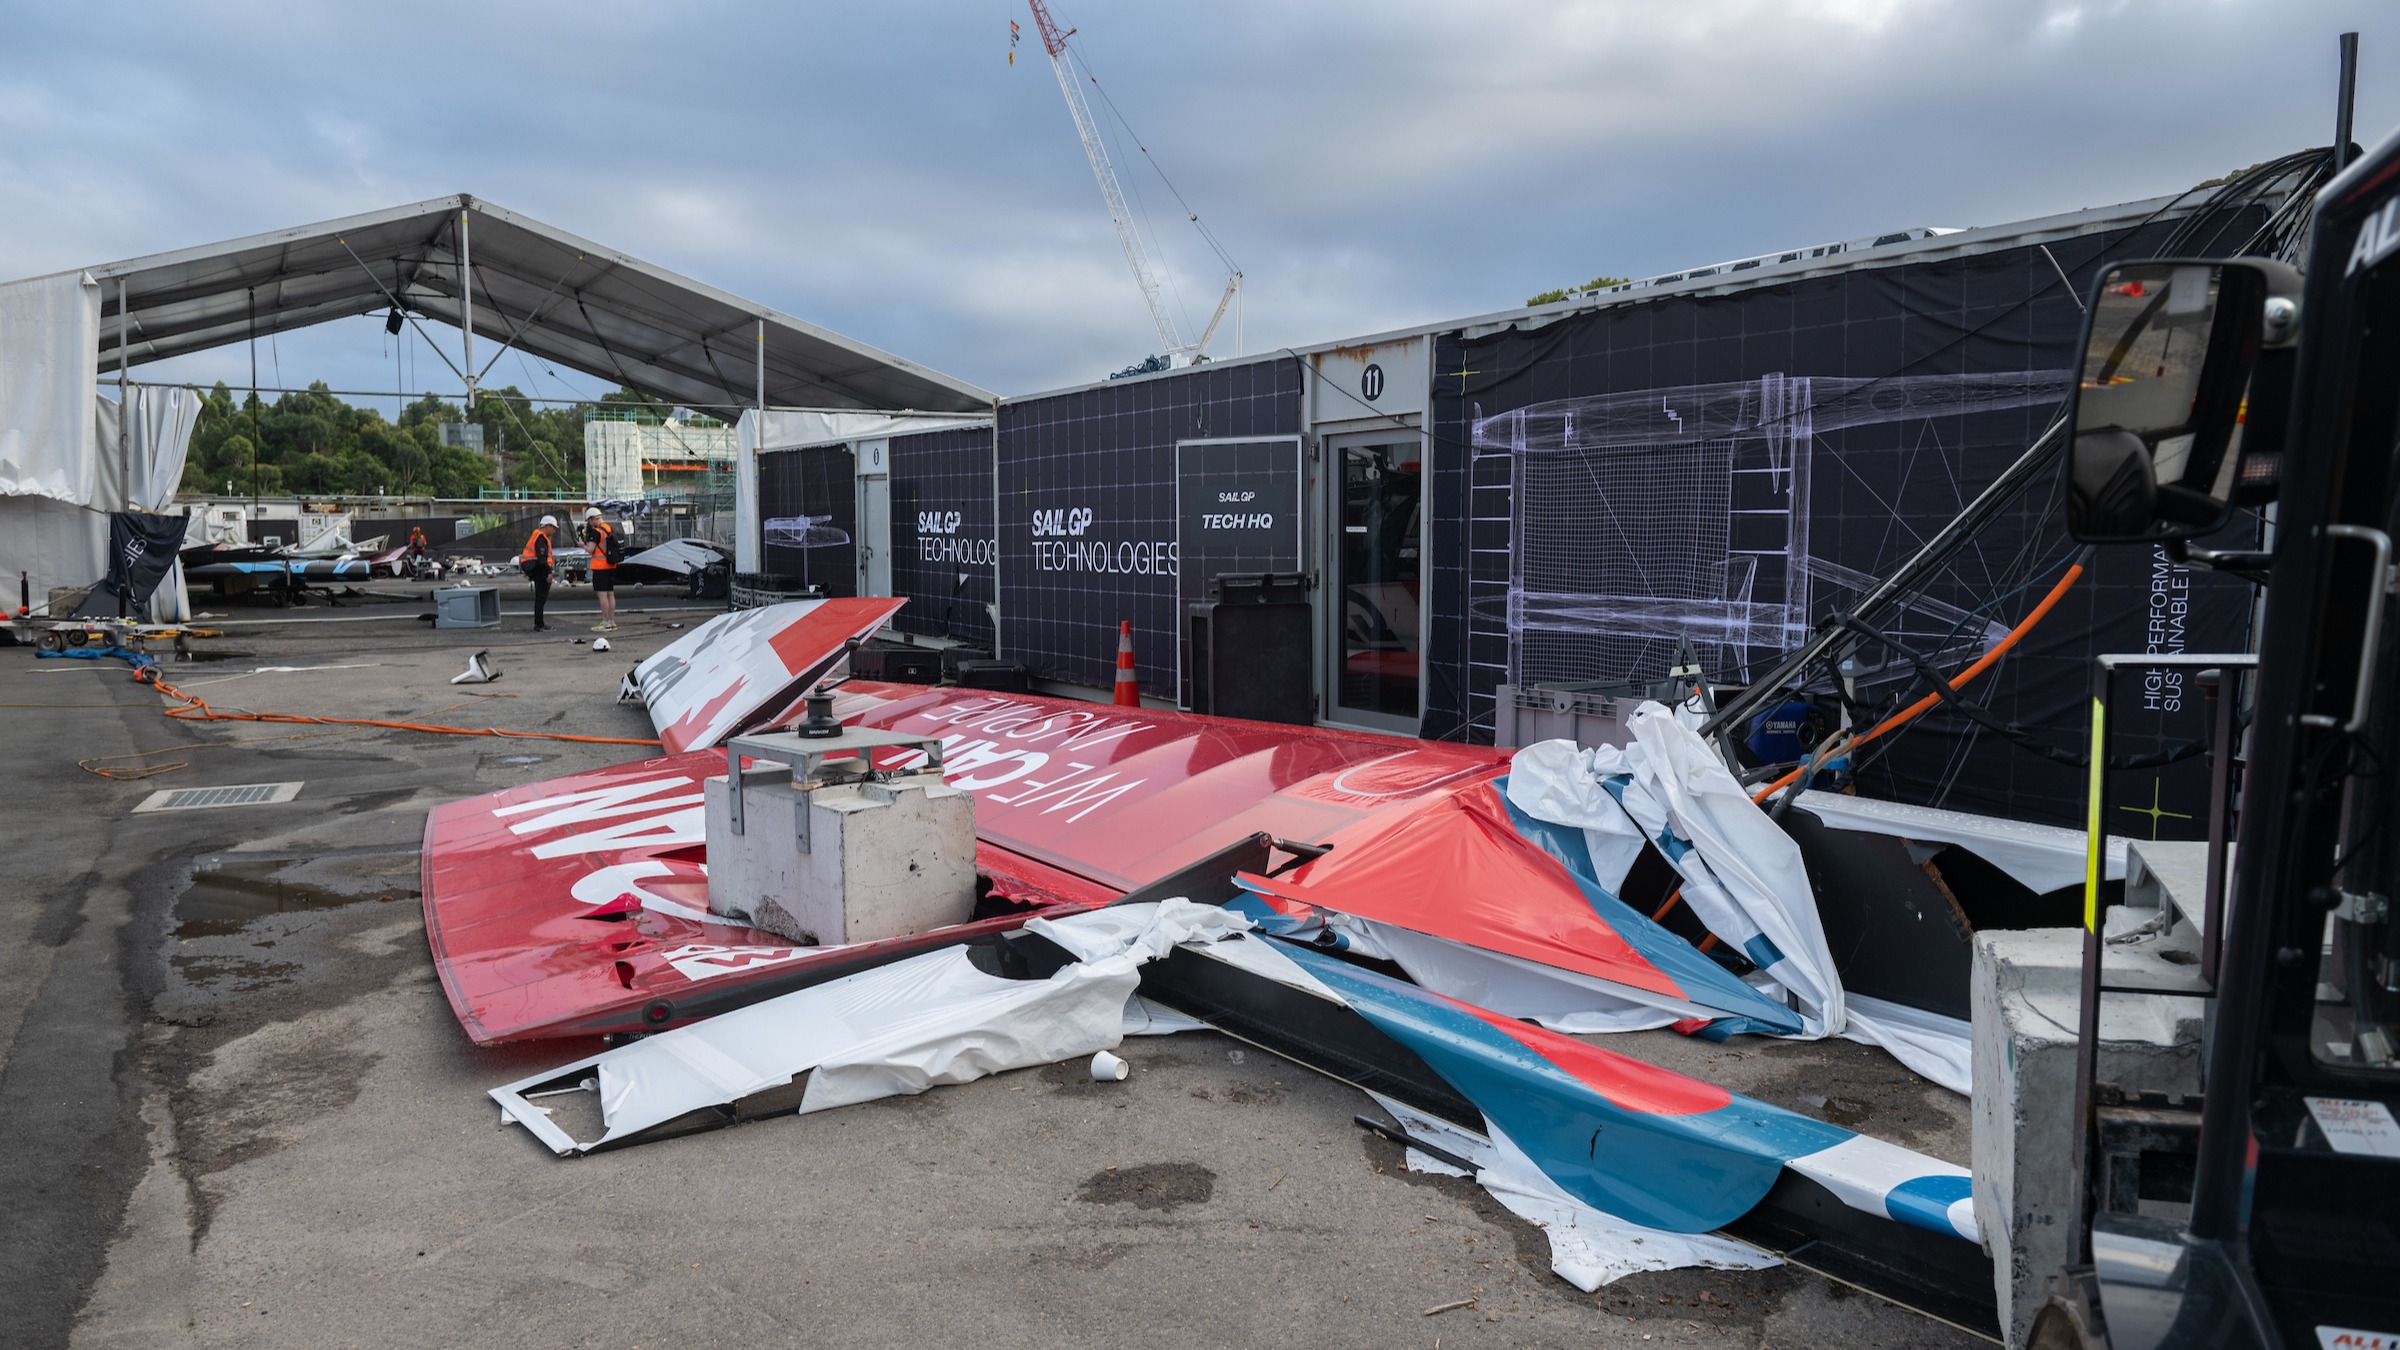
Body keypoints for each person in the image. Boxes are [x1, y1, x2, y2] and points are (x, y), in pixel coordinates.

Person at [519, 515, 559, 631]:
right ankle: (539, 624)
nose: (554, 530)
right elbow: (542, 559)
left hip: (535, 568)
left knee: (540, 598)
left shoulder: (537, 536)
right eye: (553, 527)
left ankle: (539, 623)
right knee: (541, 598)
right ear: (547, 526)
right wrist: (549, 572)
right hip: (539, 570)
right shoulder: (541, 538)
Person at [583, 507, 618, 632]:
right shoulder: (609, 529)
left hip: (600, 566)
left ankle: (605, 621)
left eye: (589, 520)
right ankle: (612, 621)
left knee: (602, 595)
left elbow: (590, 550)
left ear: (593, 519)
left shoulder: (596, 532)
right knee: (610, 593)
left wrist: (583, 545)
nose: (589, 523)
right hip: (611, 565)